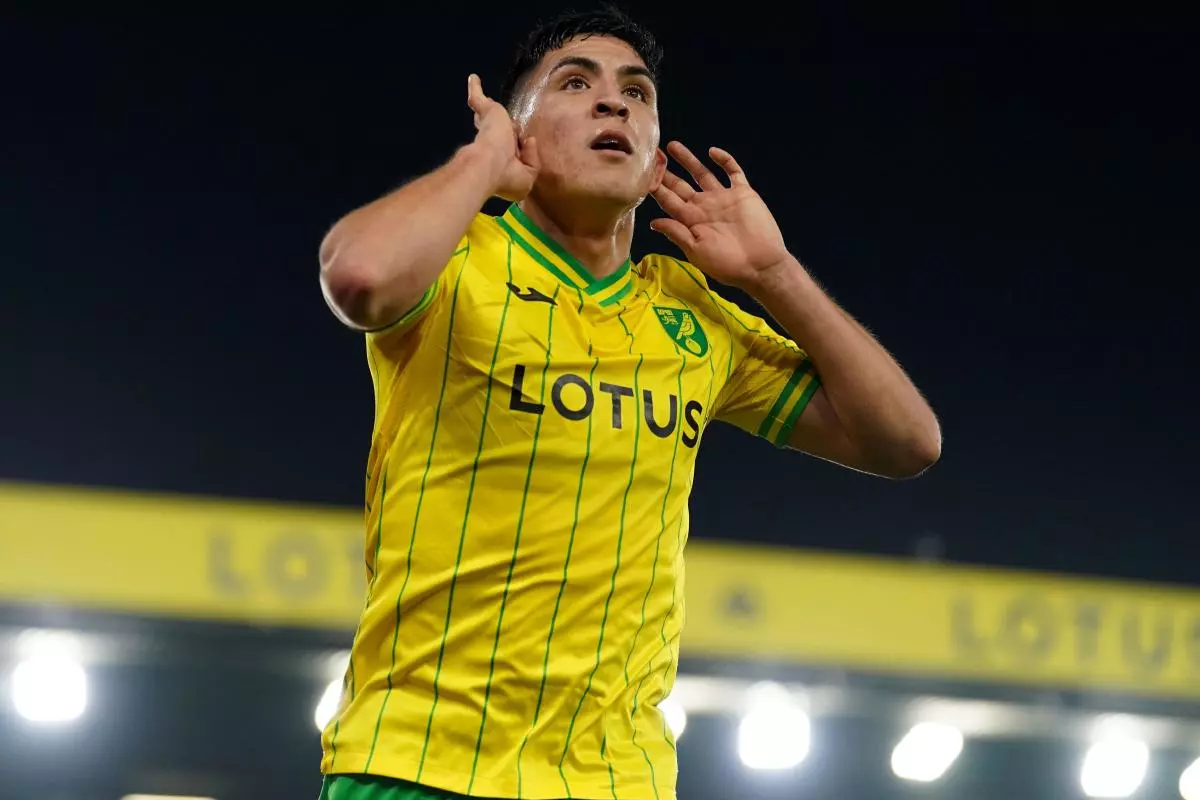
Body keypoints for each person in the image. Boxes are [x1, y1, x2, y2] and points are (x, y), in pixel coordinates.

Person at [315, 7, 940, 800]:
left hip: (619, 778)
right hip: (418, 764)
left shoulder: (691, 317)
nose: (616, 104)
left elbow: (906, 442)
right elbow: (360, 278)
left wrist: (774, 275)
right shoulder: (455, 259)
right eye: (576, 84)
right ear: (521, 134)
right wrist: (481, 165)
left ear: (652, 166)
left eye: (637, 95)